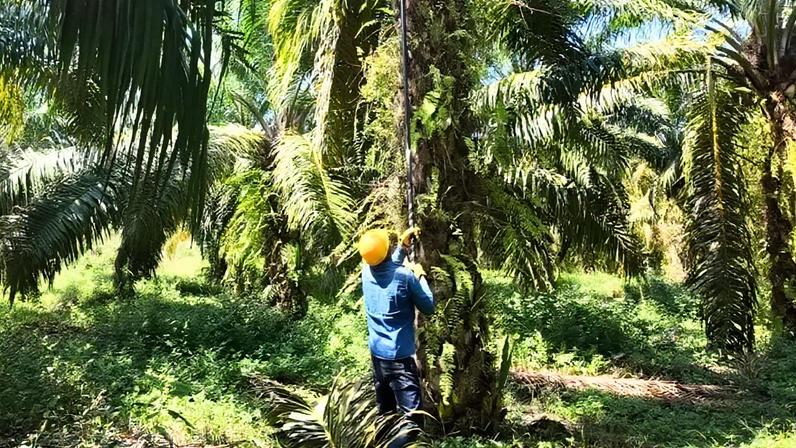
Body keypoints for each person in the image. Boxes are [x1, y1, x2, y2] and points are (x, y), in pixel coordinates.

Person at [359, 227, 435, 447]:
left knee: (386, 415)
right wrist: (420, 276)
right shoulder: (405, 277)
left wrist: (403, 249)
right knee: (412, 423)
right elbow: (428, 307)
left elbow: (386, 267)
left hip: (378, 359)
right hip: (400, 361)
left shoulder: (366, 272)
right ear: (386, 250)